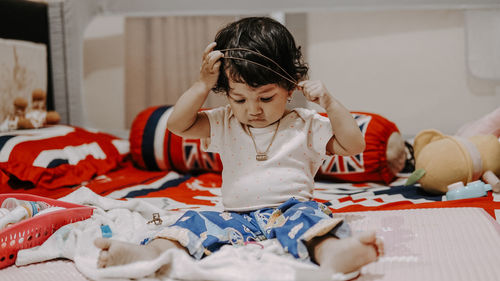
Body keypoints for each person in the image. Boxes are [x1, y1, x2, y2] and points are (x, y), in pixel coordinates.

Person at [95, 16, 383, 276]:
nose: (253, 109)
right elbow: (177, 125)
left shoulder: (305, 124)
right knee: (192, 221)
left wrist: (330, 104)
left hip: (291, 211)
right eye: (240, 99)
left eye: (266, 98)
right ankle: (149, 254)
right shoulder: (225, 121)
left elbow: (354, 145)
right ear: (227, 94)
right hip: (235, 217)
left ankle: (335, 255)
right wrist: (201, 85)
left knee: (312, 222)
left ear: (291, 87)